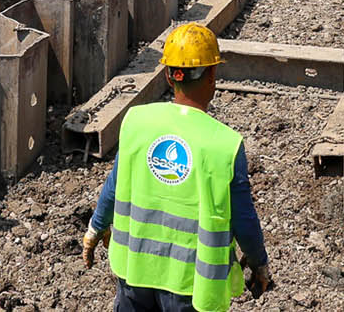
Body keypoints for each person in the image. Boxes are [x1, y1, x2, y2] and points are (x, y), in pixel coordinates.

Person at [81, 24, 275, 310]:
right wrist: (259, 263)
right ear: (212, 75)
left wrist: (95, 228)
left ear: (169, 77)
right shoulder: (225, 145)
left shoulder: (136, 122)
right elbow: (243, 219)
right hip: (191, 286)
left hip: (135, 272)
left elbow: (114, 185)